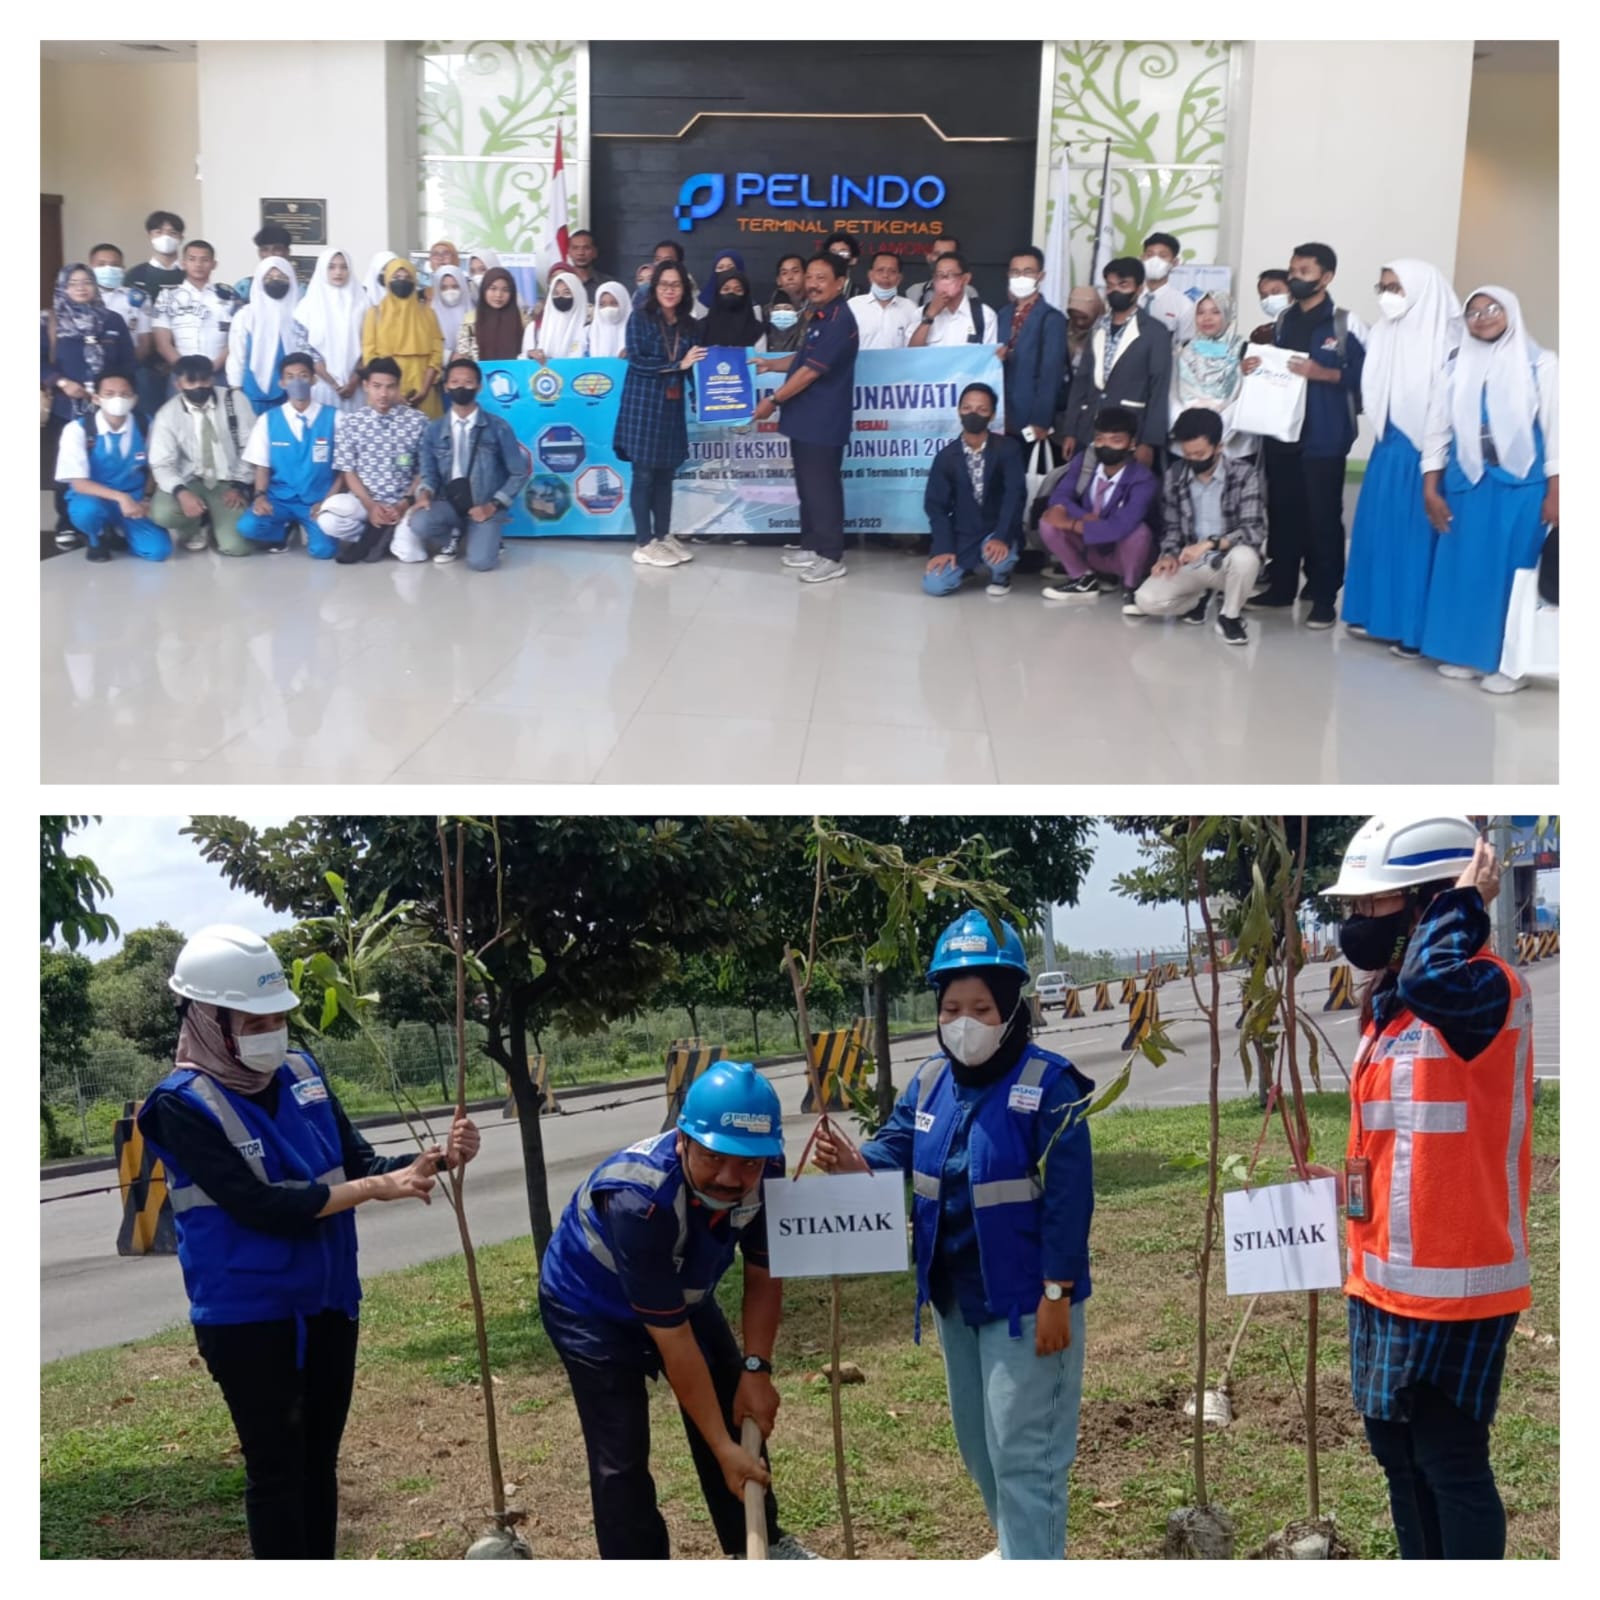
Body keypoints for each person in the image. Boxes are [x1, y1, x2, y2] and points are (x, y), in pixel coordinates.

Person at [136, 925, 480, 1561]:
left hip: (327, 1302)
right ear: (207, 1019)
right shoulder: (177, 1106)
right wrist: (381, 1186)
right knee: (277, 1470)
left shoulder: (303, 1072)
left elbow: (357, 1159)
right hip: (248, 1320)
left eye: (278, 1017)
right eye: (253, 1020)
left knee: (319, 1463)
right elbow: (262, 1207)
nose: (272, 1031)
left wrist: (431, 1158)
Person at [814, 911, 1094, 1561]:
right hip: (956, 1300)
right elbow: (894, 1145)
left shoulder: (1049, 1087)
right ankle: (1018, 1549)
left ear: (1010, 1007)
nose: (964, 1022)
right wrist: (857, 1163)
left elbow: (1068, 1206)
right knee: (981, 1446)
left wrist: (1059, 1292)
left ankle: (1032, 1562)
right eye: (951, 1006)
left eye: (981, 1007)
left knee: (1026, 1456)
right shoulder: (931, 1081)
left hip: (1026, 1305)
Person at [1318, 819, 1531, 1561]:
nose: (1355, 925)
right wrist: (1343, 1182)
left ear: (1427, 903)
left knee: (1450, 1464)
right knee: (1397, 1457)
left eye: (1372, 906)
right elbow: (1402, 1133)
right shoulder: (1389, 1011)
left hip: (1458, 1286)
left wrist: (1466, 902)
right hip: (1382, 1283)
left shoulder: (1480, 990)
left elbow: (1432, 976)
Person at [537, 1061, 815, 1561]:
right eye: (714, 1157)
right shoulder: (637, 1202)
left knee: (737, 1403)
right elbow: (674, 1342)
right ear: (682, 1140)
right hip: (590, 1309)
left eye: (747, 1163)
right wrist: (721, 1448)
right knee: (620, 1455)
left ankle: (763, 1548)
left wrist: (757, 1368)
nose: (732, 1177)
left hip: (681, 1295)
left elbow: (763, 1271)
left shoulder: (764, 1169)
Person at [1418, 286, 1559, 689]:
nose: (1483, 318)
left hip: (1523, 486)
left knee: (1511, 576)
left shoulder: (1541, 365)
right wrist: (1431, 489)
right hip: (1468, 482)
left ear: (1511, 312)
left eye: (1492, 309)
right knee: (1467, 570)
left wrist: (1557, 492)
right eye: (1474, 312)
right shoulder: (1455, 368)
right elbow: (1436, 432)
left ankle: (1509, 666)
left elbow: (1558, 434)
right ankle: (1467, 653)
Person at [1340, 260, 1463, 654]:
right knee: (1380, 534)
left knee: (1415, 540)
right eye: (1384, 288)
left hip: (1426, 455)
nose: (1388, 296)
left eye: (1396, 288)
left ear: (1422, 290)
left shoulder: (1449, 339)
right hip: (1388, 447)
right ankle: (1378, 616)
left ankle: (1412, 629)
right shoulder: (1385, 332)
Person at [1244, 241, 1367, 628]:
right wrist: (1254, 366)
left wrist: (1326, 374)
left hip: (1325, 435)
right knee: (1282, 513)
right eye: (1293, 271)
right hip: (1281, 433)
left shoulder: (1345, 324)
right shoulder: (1282, 322)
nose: (1295, 279)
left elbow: (1367, 378)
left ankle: (1324, 595)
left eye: (1304, 273)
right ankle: (1280, 587)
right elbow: (1277, 370)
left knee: (1323, 516)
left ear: (1326, 277)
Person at [753, 254, 859, 585]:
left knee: (822, 488)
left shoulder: (840, 319)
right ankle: (812, 545)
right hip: (804, 417)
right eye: (810, 277)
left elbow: (811, 372)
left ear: (840, 282)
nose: (812, 284)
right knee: (807, 487)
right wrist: (771, 365)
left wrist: (773, 400)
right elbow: (802, 359)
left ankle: (831, 556)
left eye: (821, 278)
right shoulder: (820, 315)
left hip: (823, 420)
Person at [1133, 407, 1265, 643]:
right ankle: (1199, 599)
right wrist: (1168, 556)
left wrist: (1209, 544)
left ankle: (1230, 617)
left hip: (1228, 563)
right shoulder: (1175, 475)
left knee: (1246, 558)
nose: (1193, 460)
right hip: (1191, 563)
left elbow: (1253, 530)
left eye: (1200, 454)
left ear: (1219, 447)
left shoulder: (1245, 474)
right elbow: (1171, 528)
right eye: (1188, 454)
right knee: (1146, 600)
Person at [396, 357, 531, 571]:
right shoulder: (434, 430)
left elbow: (518, 473)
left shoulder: (498, 427)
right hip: (449, 502)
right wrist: (424, 494)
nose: (461, 387)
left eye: (468, 382)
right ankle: (453, 535)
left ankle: (488, 536)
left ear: (478, 386)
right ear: (446, 386)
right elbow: (428, 471)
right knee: (419, 522)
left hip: (484, 504)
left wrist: (493, 505)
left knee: (481, 563)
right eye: (455, 382)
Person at [614, 259, 706, 568]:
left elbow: (694, 367)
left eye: (676, 285)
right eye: (664, 284)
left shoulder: (690, 326)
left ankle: (663, 535)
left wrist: (708, 399)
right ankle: (643, 542)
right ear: (655, 288)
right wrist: (676, 365)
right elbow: (637, 361)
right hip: (642, 405)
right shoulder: (639, 319)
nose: (670, 290)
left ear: (685, 289)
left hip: (671, 406)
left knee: (666, 474)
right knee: (643, 475)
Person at [41, 263, 137, 544]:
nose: (81, 287)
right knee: (68, 464)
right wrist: (60, 382)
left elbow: (128, 363)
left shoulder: (112, 320)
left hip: (109, 406)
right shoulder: (49, 321)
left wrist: (125, 392)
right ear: (62, 287)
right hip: (66, 406)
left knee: (108, 461)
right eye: (73, 283)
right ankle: (67, 522)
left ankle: (111, 516)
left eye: (86, 282)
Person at [1059, 258, 1171, 478]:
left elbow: (1159, 389)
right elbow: (1081, 381)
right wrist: (1070, 430)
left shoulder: (1155, 332)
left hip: (1131, 432)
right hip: (1090, 428)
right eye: (1109, 286)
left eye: (1123, 285)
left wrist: (1148, 441)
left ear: (1139, 289)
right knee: (1085, 491)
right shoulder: (1097, 327)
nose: (1114, 291)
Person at [1039, 405, 1157, 612]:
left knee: (1139, 533)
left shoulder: (1143, 478)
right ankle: (1083, 579)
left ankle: (1131, 587)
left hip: (1122, 553)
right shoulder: (1085, 461)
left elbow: (1122, 525)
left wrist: (1074, 524)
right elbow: (1060, 495)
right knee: (1048, 521)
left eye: (1116, 440)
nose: (1106, 446)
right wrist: (1082, 516)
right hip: (1091, 549)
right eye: (1101, 439)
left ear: (1131, 444)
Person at [315, 357, 428, 563]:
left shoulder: (418, 421)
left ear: (398, 387)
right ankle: (371, 533)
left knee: (410, 555)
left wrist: (404, 503)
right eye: (377, 386)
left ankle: (383, 535)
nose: (383, 394)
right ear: (366, 386)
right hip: (364, 502)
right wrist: (370, 505)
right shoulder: (352, 423)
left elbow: (425, 470)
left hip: (404, 503)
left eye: (390, 387)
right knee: (328, 519)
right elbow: (348, 470)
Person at [54, 369, 169, 563]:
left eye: (125, 394)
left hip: (135, 497)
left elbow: (154, 467)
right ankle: (95, 537)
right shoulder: (78, 430)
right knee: (86, 512)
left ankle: (120, 531)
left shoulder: (146, 425)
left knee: (158, 551)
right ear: (96, 398)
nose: (118, 399)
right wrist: (120, 497)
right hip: (92, 497)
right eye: (109, 394)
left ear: (134, 398)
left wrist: (147, 498)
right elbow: (79, 483)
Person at [922, 383, 1024, 597]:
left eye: (982, 409)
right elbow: (935, 506)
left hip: (996, 529)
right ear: (959, 410)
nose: (973, 414)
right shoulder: (946, 457)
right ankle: (965, 566)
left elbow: (1014, 496)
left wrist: (1001, 536)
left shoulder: (1008, 449)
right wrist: (943, 547)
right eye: (967, 408)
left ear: (992, 414)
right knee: (934, 586)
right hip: (963, 533)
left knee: (1000, 559)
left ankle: (1001, 575)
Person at [148, 356, 257, 555]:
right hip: (190, 480)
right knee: (163, 513)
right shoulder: (167, 414)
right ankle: (193, 527)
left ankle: (216, 525)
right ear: (178, 384)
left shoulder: (235, 401)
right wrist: (181, 492)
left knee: (237, 548)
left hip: (227, 482)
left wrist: (240, 485)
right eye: (191, 382)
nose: (199, 386)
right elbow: (162, 464)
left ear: (212, 379)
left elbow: (250, 448)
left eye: (204, 380)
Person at [236, 353, 340, 558]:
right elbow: (262, 466)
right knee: (248, 527)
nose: (297, 382)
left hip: (317, 500)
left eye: (303, 375)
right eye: (290, 377)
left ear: (313, 379)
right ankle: (282, 530)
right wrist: (260, 497)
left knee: (323, 551)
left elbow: (345, 470)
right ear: (282, 383)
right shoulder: (268, 420)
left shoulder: (335, 417)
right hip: (280, 499)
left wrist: (327, 502)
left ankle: (310, 526)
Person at [226, 257, 322, 411]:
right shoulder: (246, 315)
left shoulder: (300, 313)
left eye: (281, 277)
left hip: (294, 393)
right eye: (269, 278)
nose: (275, 281)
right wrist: (235, 388)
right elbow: (237, 355)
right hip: (253, 393)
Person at [996, 248, 1067, 449]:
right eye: (1015, 272)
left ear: (1040, 276)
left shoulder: (1052, 318)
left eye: (1027, 272)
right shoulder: (1003, 314)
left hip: (1029, 414)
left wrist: (1041, 420)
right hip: (1000, 413)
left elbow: (1051, 374)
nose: (1020, 277)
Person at [1170, 289, 1251, 458]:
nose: (1207, 318)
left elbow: (1244, 395)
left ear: (1227, 314)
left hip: (1231, 441)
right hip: (1187, 437)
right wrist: (1190, 425)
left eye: (1215, 312)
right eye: (1200, 312)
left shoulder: (1244, 350)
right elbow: (1173, 393)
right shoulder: (1183, 350)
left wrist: (1218, 426)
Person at [126, 211, 189, 422]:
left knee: (184, 417)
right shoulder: (135, 276)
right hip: (146, 363)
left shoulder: (190, 274)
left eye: (172, 232)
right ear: (150, 235)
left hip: (184, 360)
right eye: (159, 231)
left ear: (181, 237)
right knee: (149, 419)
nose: (166, 237)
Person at [361, 259, 444, 418]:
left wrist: (424, 389)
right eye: (396, 277)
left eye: (407, 277)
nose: (402, 281)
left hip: (423, 387)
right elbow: (369, 355)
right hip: (386, 390)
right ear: (386, 280)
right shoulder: (375, 313)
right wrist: (393, 393)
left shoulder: (428, 314)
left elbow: (437, 353)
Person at [152, 240, 236, 375]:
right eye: (192, 259)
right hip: (181, 373)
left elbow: (236, 338)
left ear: (214, 264)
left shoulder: (229, 296)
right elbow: (162, 343)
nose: (198, 264)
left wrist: (215, 367)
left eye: (205, 260)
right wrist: (185, 369)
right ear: (183, 263)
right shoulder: (167, 297)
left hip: (220, 372)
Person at [298, 248, 367, 411]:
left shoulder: (362, 303)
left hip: (356, 387)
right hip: (321, 386)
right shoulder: (307, 307)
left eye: (344, 267)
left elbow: (370, 345)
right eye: (332, 267)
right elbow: (306, 349)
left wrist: (354, 380)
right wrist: (334, 384)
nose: (338, 272)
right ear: (322, 269)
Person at [909, 252, 998, 348]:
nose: (944, 280)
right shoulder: (921, 313)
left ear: (965, 279)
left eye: (950, 275)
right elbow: (912, 354)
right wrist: (929, 317)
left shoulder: (984, 315)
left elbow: (989, 357)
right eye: (939, 275)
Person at [88, 244, 154, 369]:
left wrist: (124, 371)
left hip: (128, 368)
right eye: (101, 264)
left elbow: (145, 343)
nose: (109, 269)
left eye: (114, 265)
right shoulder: (81, 298)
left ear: (123, 268)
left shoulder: (139, 298)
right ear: (90, 268)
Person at [848, 250, 921, 349]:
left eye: (892, 271)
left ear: (899, 278)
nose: (885, 276)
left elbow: (914, 348)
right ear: (870, 275)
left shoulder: (910, 308)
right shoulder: (853, 305)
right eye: (880, 270)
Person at [455, 267, 528, 361]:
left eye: (505, 290)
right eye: (493, 288)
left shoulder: (523, 321)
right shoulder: (470, 321)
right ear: (484, 290)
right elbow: (463, 356)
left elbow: (528, 354)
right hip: (478, 374)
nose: (498, 295)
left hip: (516, 374)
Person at [1137, 231, 1195, 342]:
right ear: (1142, 258)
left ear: (1175, 262)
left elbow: (1184, 347)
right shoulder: (1130, 297)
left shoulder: (1183, 305)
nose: (1155, 261)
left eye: (1163, 256)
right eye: (1149, 255)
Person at [524, 269, 589, 360]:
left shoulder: (589, 330)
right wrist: (530, 355)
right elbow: (523, 363)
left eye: (567, 293)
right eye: (556, 293)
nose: (560, 297)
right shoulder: (535, 329)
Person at [699, 269, 764, 349]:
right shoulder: (702, 327)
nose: (732, 293)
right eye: (726, 289)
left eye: (738, 290)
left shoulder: (757, 330)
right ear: (717, 293)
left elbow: (760, 358)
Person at [909, 236, 980, 309]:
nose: (941, 259)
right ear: (929, 257)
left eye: (948, 255)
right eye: (937, 254)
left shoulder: (968, 291)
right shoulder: (914, 291)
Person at [233, 224, 294, 303]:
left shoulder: (302, 290)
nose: (270, 254)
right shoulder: (244, 287)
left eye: (277, 249)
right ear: (259, 253)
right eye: (265, 249)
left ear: (287, 252)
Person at [765, 255, 809, 351]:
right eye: (784, 273)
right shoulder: (765, 313)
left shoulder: (816, 311)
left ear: (806, 276)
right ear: (778, 280)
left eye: (795, 271)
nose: (790, 277)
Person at [428, 265, 470, 359]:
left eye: (455, 286)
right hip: (439, 370)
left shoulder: (474, 312)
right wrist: (450, 356)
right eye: (444, 288)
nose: (450, 291)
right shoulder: (430, 315)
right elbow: (428, 346)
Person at [587, 281, 631, 358]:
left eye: (614, 303)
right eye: (602, 304)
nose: (608, 308)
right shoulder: (588, 333)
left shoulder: (636, 331)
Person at [1064, 285, 1103, 372]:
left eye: (1084, 318)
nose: (1079, 322)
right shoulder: (1060, 330)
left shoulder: (1103, 334)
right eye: (1074, 317)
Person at [1249, 269, 1292, 345]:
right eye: (1264, 295)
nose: (1269, 299)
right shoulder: (1261, 333)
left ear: (1292, 292)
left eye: (1275, 292)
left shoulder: (1305, 327)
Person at [566, 229, 605, 301]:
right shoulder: (562, 282)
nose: (580, 253)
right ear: (569, 252)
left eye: (586, 248)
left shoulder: (606, 283)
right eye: (575, 248)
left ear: (595, 252)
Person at [823, 231, 862, 297]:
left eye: (843, 253)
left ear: (853, 260)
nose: (837, 258)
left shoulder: (861, 293)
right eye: (833, 253)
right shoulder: (818, 290)